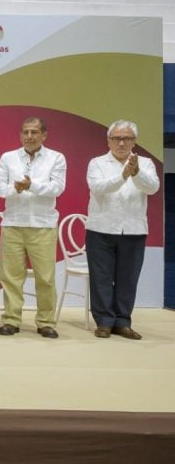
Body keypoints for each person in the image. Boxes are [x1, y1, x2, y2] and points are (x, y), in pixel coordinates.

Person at [0, 117, 66, 338]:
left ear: (44, 135)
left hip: (43, 225)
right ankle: (11, 319)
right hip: (13, 224)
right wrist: (16, 188)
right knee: (11, 276)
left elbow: (58, 188)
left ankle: (46, 322)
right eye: (25, 132)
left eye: (34, 132)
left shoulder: (56, 158)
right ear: (20, 134)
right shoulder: (8, 157)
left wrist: (31, 185)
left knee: (45, 277)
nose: (29, 136)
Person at [86, 120, 159, 340]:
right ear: (108, 140)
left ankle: (123, 322)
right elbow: (98, 187)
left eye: (126, 138)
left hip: (134, 229)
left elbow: (153, 187)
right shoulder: (97, 162)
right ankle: (104, 322)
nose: (121, 142)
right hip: (101, 228)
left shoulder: (145, 163)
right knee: (101, 277)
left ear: (134, 142)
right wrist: (124, 175)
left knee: (128, 278)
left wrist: (136, 172)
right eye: (116, 138)